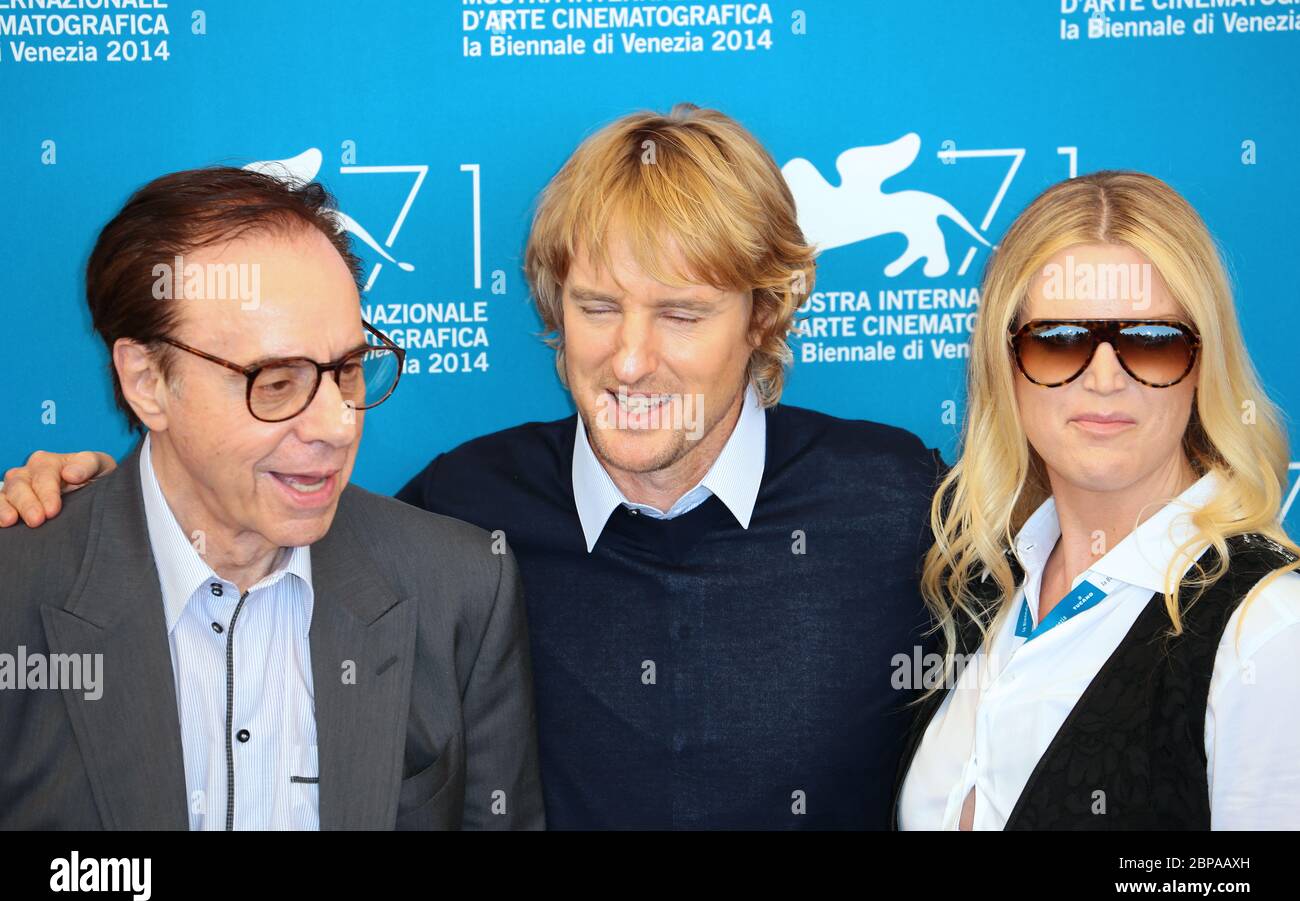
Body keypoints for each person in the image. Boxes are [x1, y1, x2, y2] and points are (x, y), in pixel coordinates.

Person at [1, 104, 940, 829]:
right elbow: (234, 511)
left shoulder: (901, 504)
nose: (630, 359)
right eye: (597, 306)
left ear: (764, 317)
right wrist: (93, 502)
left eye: (683, 313)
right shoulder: (465, 514)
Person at [0, 167, 544, 830]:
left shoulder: (460, 589)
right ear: (147, 381)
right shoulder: (18, 588)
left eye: (346, 369)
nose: (338, 425)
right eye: (277, 382)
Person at [893, 170, 1300, 831]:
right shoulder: (984, 588)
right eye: (1059, 340)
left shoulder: (1268, 631)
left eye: (1151, 339)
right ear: (1005, 362)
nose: (1105, 378)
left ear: (1202, 365)